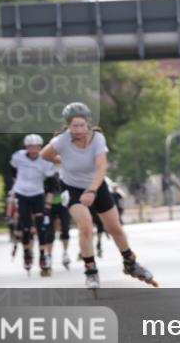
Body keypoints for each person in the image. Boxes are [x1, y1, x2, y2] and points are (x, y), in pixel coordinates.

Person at [40, 102, 158, 292]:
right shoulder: (62, 141)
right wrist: (62, 160)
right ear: (68, 126)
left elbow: (101, 167)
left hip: (95, 185)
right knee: (85, 226)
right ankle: (91, 270)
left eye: (81, 125)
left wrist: (92, 190)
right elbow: (44, 154)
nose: (78, 130)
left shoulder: (97, 139)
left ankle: (130, 263)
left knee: (115, 228)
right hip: (71, 187)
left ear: (88, 123)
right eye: (74, 126)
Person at [10, 134, 56, 276]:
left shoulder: (46, 161)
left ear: (40, 147)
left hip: (37, 194)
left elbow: (51, 182)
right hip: (22, 193)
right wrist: (16, 185)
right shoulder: (18, 156)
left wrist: (48, 201)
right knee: (25, 227)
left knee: (41, 227)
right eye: (30, 147)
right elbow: (12, 170)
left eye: (36, 147)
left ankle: (42, 255)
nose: (33, 150)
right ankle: (27, 253)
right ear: (26, 147)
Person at [44, 173, 73, 269]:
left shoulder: (65, 172)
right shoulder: (46, 173)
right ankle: (49, 256)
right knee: (49, 232)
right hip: (49, 205)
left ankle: (65, 253)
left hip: (63, 204)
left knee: (65, 228)